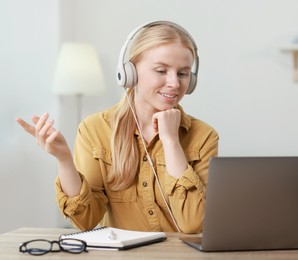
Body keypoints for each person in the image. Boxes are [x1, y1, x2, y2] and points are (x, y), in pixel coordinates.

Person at [16, 21, 219, 234]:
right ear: (129, 72)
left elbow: (194, 223)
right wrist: (64, 159)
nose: (174, 83)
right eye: (161, 70)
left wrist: (170, 142)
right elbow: (85, 220)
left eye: (183, 73)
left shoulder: (204, 137)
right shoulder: (94, 129)